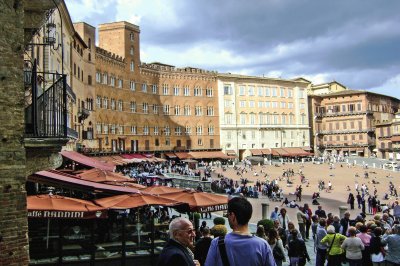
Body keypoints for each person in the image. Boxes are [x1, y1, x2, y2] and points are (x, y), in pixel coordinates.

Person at [205, 197, 276, 266]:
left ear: (233, 216)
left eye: (228, 215)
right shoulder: (263, 245)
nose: (228, 217)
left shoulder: (216, 243)